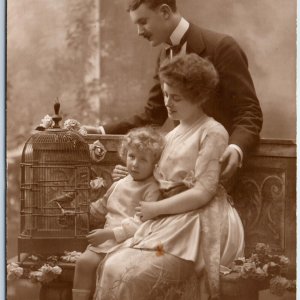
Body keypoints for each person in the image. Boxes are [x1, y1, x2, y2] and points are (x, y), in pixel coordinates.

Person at [93, 54, 244, 300]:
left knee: (133, 276)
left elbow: (203, 192)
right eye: (165, 94)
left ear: (199, 98)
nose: (168, 103)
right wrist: (127, 175)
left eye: (176, 98)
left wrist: (156, 209)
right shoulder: (173, 133)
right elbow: (155, 175)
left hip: (198, 221)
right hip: (168, 218)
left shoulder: (212, 132)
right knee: (112, 266)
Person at [84, 0, 263, 182]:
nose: (139, 32)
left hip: (219, 169)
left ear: (164, 12)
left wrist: (236, 148)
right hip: (178, 175)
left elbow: (249, 112)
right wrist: (101, 131)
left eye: (143, 22)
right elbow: (153, 116)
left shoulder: (221, 47)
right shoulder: (164, 55)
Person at [72, 127, 164, 300]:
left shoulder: (152, 189)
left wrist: (109, 234)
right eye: (132, 157)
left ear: (155, 163)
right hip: (105, 240)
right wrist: (83, 213)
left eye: (143, 160)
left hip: (130, 243)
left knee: (111, 269)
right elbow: (103, 206)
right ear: (124, 155)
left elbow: (141, 223)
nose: (135, 164)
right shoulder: (119, 183)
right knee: (84, 263)